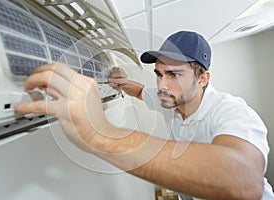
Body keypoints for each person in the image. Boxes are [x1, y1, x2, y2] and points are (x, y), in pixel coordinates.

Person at [14, 31, 274, 200]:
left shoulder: (231, 112)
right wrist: (119, 82)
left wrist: (100, 133)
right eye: (159, 74)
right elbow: (141, 91)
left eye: (174, 75)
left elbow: (243, 182)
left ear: (203, 78)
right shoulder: (169, 99)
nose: (162, 84)